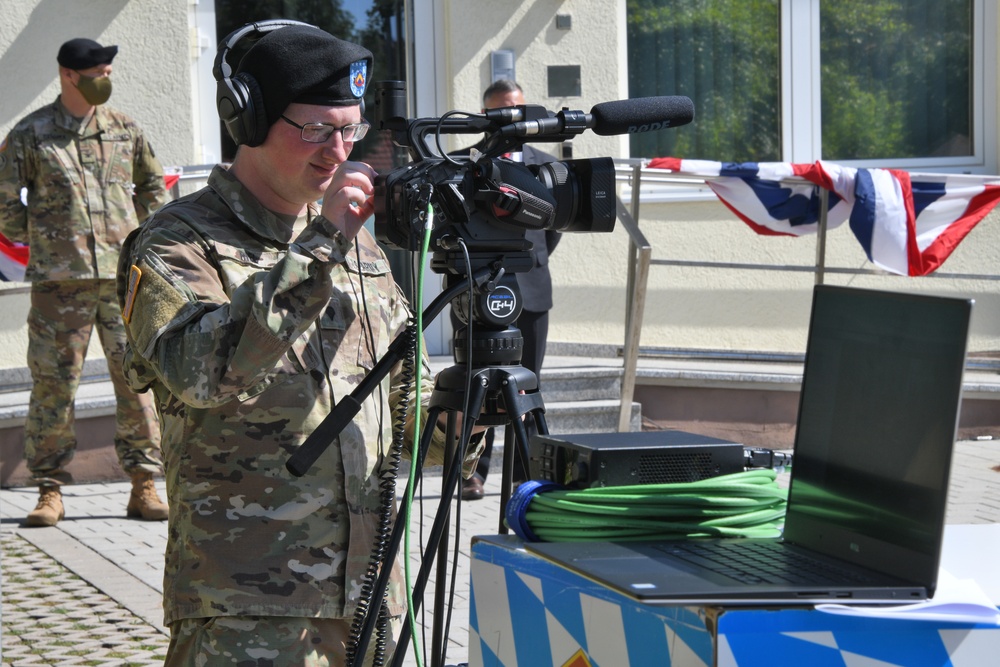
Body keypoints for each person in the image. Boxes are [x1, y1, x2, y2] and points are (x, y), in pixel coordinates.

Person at [116, 22, 480, 666]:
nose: (338, 153)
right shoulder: (177, 242)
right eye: (315, 130)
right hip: (250, 613)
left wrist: (467, 413)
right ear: (247, 118)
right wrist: (321, 249)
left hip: (372, 600)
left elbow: (407, 403)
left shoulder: (359, 245)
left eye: (351, 129)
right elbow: (204, 372)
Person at [0, 38, 169, 526]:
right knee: (54, 386)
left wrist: (140, 238)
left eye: (109, 70)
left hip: (121, 280)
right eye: (97, 71)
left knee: (137, 382)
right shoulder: (31, 134)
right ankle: (49, 490)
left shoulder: (124, 129)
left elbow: (153, 188)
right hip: (60, 283)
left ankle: (144, 484)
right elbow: (5, 201)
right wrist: (43, 238)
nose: (106, 78)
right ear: (68, 75)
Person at [459, 79, 561, 501]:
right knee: (477, 386)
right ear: (487, 116)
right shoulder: (467, 161)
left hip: (533, 288)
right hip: (482, 291)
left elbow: (553, 230)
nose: (513, 119)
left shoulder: (546, 163)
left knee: (526, 387)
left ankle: (524, 477)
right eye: (503, 112)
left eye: (518, 110)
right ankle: (473, 473)